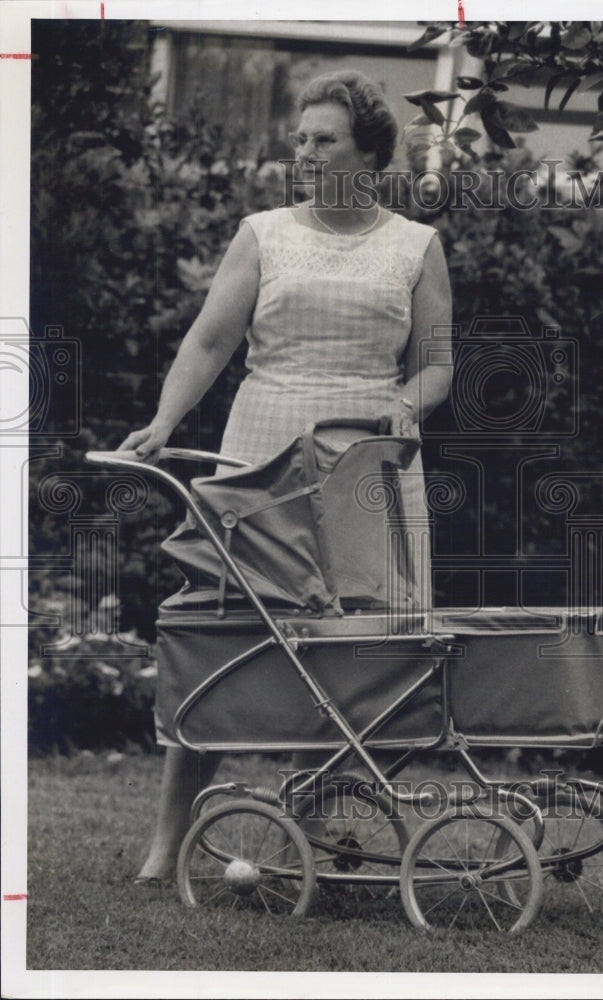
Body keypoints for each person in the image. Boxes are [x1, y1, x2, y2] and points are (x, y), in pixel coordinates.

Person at [118, 70, 453, 884]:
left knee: (359, 648)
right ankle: (168, 843)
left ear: (370, 154)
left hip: (368, 463)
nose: (302, 152)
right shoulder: (262, 232)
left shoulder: (416, 245)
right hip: (263, 452)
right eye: (299, 138)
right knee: (218, 636)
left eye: (323, 139)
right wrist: (163, 422)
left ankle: (311, 835)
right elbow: (207, 343)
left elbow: (437, 366)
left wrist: (406, 405)